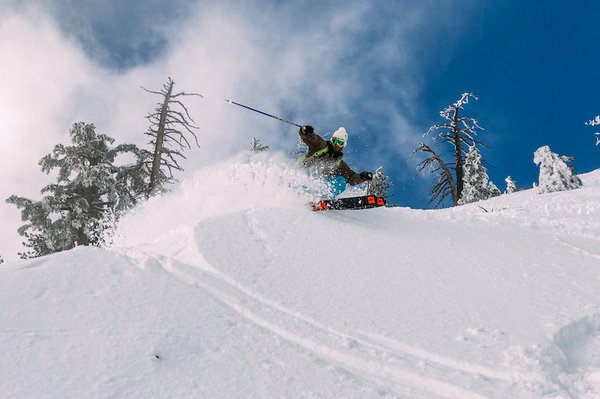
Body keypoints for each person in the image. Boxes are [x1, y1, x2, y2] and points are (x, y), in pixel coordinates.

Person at [298, 125, 373, 197]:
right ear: (331, 141)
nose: (336, 144)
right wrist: (306, 132)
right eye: (335, 140)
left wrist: (362, 177)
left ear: (343, 146)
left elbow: (351, 178)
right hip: (302, 176)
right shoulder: (321, 147)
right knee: (310, 177)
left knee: (341, 181)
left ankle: (325, 198)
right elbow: (314, 140)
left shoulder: (339, 164)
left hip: (317, 186)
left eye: (340, 143)